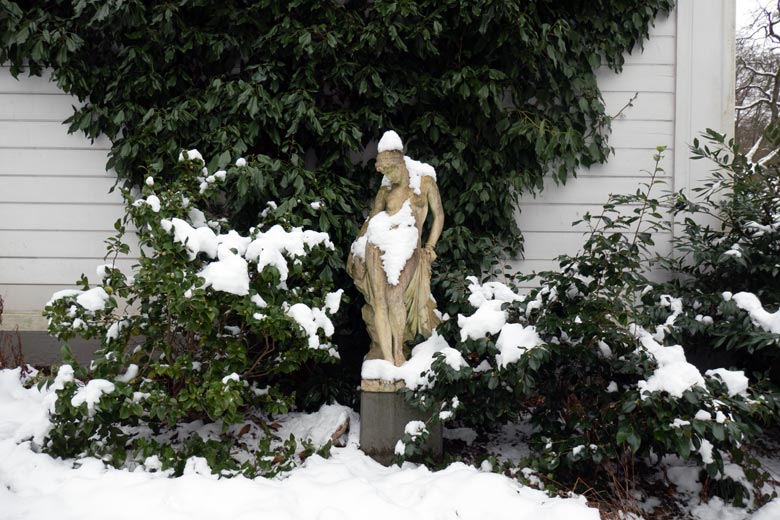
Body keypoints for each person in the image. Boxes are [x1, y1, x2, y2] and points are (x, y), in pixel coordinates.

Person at [347, 131, 444, 366]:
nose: (388, 176)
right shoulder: (386, 190)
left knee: (394, 297)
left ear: (400, 163)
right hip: (378, 243)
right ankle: (388, 357)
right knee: (379, 300)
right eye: (384, 173)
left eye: (390, 170)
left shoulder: (424, 181)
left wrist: (430, 245)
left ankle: (398, 350)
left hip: (408, 245)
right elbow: (371, 219)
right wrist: (356, 248)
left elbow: (438, 215)